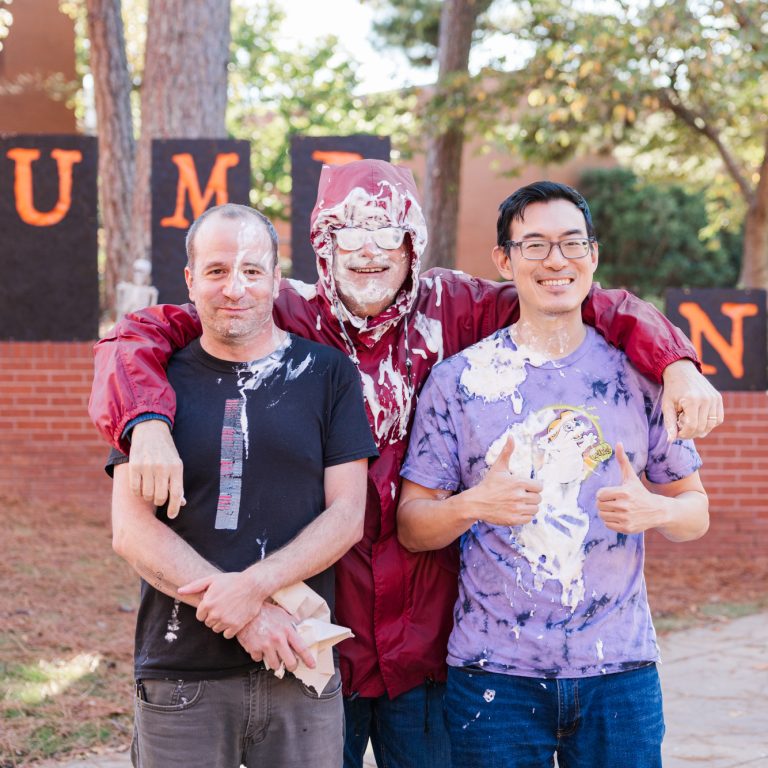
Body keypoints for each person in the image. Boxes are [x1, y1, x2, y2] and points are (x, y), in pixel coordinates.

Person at [89, 160, 723, 768]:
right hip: (320, 636)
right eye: (349, 232)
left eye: (387, 231)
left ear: (413, 240)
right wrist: (144, 420)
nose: (369, 250)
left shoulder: (459, 308)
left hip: (430, 646)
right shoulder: (279, 310)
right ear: (322, 243)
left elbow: (578, 298)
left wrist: (674, 362)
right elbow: (141, 335)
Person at [397, 181, 710, 767]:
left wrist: (658, 511)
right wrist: (474, 504)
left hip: (620, 673)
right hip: (494, 679)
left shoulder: (642, 377)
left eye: (571, 243)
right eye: (534, 245)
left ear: (593, 255)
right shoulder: (460, 381)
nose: (555, 261)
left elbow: (696, 510)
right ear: (504, 260)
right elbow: (413, 526)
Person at [108, 203, 377, 767]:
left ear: (277, 280)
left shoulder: (328, 374)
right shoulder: (153, 387)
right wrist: (248, 615)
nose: (235, 288)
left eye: (252, 271)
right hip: (181, 677)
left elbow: (348, 514)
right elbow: (131, 532)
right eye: (216, 270)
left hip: (299, 664)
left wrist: (254, 588)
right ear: (190, 280)